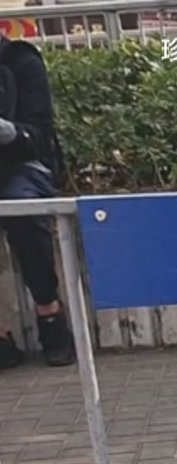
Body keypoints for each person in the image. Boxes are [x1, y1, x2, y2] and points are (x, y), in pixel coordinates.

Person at [0, 31, 69, 366]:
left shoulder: (22, 62)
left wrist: (7, 131)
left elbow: (40, 136)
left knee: (21, 210)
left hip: (23, 163)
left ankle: (49, 310)